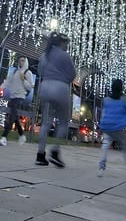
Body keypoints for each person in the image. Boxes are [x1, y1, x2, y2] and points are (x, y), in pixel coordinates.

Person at [35, 31, 76, 167]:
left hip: (45, 87)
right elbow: (72, 75)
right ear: (62, 43)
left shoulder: (44, 55)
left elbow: (40, 71)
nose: (67, 46)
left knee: (46, 122)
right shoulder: (65, 57)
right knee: (63, 122)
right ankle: (55, 151)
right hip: (60, 89)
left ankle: (40, 155)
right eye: (66, 44)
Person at [97, 79, 126, 181]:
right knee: (124, 149)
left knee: (105, 146)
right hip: (118, 128)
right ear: (121, 88)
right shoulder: (123, 100)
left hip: (107, 127)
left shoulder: (106, 100)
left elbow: (104, 113)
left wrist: (101, 125)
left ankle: (101, 169)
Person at [0, 56, 33, 146]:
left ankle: (4, 137)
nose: (21, 62)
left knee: (12, 116)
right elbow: (8, 82)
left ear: (25, 62)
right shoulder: (14, 71)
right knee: (14, 116)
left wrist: (23, 79)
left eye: (23, 60)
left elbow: (30, 87)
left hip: (21, 96)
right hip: (12, 96)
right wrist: (1, 88)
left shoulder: (28, 73)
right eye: (20, 60)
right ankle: (21, 135)